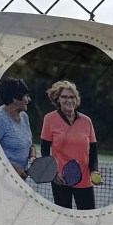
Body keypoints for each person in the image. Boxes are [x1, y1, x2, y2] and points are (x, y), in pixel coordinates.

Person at [40, 80, 100, 210]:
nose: (69, 100)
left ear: (76, 99)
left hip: (85, 179)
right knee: (63, 219)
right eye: (64, 97)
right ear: (57, 99)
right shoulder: (49, 119)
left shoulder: (86, 121)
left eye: (72, 97)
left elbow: (93, 151)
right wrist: (53, 173)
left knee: (88, 218)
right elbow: (45, 150)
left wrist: (94, 170)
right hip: (60, 179)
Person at [0, 77, 35, 177]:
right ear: (15, 98)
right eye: (26, 96)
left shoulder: (24, 116)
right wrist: (13, 168)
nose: (29, 99)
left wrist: (33, 156)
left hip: (21, 178)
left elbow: (30, 143)